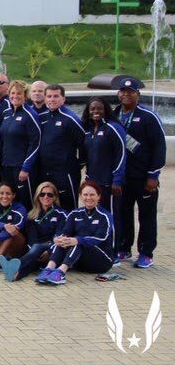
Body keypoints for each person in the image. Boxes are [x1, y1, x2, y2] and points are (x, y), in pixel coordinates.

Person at [112, 76, 164, 268]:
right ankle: (124, 247)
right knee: (123, 213)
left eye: (130, 92)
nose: (126, 95)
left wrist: (153, 175)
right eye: (123, 92)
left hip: (143, 177)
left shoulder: (148, 117)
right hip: (122, 177)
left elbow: (159, 147)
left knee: (146, 216)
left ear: (137, 94)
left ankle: (146, 253)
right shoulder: (114, 114)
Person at [35, 182, 115, 285]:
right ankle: (48, 268)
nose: (88, 198)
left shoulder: (105, 216)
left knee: (79, 242)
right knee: (63, 240)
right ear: (81, 196)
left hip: (102, 261)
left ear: (98, 196)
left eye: (92, 195)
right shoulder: (74, 214)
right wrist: (57, 239)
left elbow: (101, 238)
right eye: (85, 195)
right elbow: (65, 232)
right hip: (79, 262)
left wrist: (77, 240)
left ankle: (61, 273)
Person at [81, 96, 126, 256]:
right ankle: (100, 248)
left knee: (112, 217)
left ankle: (114, 252)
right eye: (92, 109)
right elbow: (86, 156)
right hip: (94, 183)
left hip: (110, 183)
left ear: (105, 109)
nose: (96, 111)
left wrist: (117, 180)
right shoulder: (88, 130)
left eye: (99, 108)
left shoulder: (113, 128)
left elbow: (121, 155)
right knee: (98, 217)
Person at [28, 85, 85, 210]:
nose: (52, 99)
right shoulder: (42, 117)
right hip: (45, 171)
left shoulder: (70, 119)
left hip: (65, 172)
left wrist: (77, 163)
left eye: (56, 96)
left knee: (68, 205)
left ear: (63, 99)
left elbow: (83, 142)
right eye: (49, 96)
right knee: (46, 205)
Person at [0, 181, 66, 282]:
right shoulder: (31, 216)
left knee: (37, 248)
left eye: (50, 195)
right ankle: (15, 275)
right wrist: (34, 252)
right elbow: (31, 239)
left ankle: (13, 264)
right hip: (35, 251)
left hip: (53, 250)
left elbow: (59, 236)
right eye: (42, 194)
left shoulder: (62, 214)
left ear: (55, 197)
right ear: (38, 196)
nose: (46, 197)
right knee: (34, 261)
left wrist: (49, 251)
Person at [0, 80, 40, 207]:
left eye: (19, 93)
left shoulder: (30, 115)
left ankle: (28, 226)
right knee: (9, 200)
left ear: (25, 95)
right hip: (6, 166)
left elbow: (35, 143)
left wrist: (25, 168)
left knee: (25, 200)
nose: (15, 96)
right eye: (12, 93)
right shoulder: (7, 113)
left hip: (21, 168)